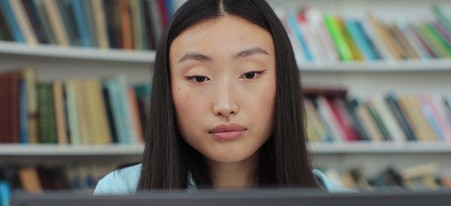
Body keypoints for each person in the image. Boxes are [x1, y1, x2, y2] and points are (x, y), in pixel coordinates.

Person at [94, 0, 349, 194]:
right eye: (199, 78)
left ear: (284, 82)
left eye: (250, 74)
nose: (225, 105)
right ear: (167, 89)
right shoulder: (118, 194)